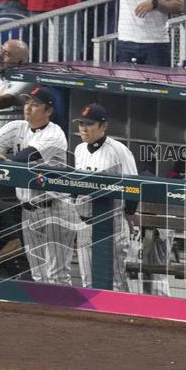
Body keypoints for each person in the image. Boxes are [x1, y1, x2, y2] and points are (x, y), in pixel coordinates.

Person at [0, 87, 78, 285]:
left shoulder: (55, 134)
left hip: (56, 209)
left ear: (48, 111)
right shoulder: (19, 126)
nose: (28, 108)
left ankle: (67, 315)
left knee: (57, 275)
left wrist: (7, 161)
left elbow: (25, 157)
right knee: (38, 274)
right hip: (29, 210)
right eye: (27, 103)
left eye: (35, 105)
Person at [72, 103, 139, 292]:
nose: (83, 128)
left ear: (103, 126)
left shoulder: (118, 150)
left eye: (89, 124)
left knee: (117, 281)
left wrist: (130, 211)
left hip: (112, 223)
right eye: (81, 124)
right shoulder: (79, 150)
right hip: (84, 224)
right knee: (88, 281)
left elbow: (134, 184)